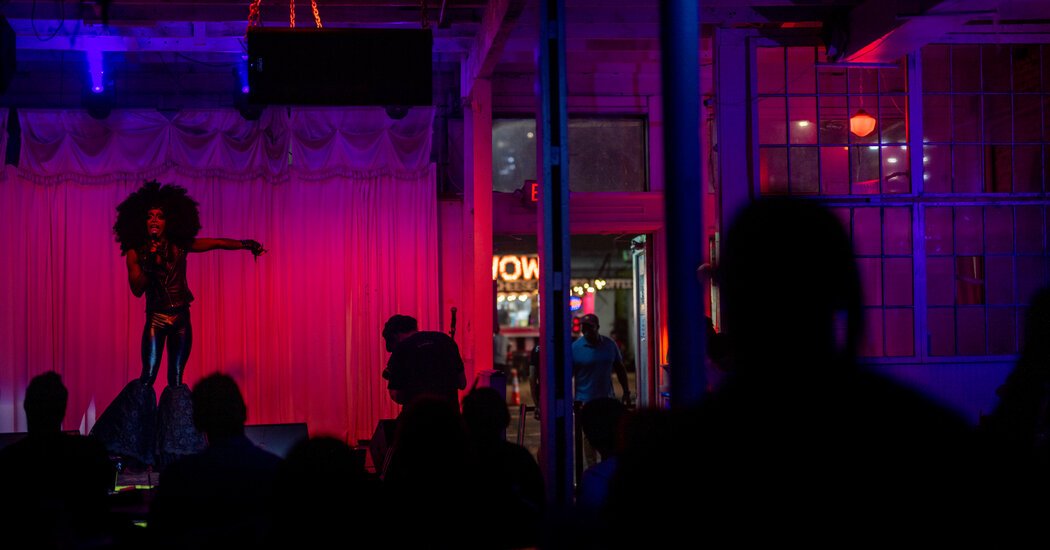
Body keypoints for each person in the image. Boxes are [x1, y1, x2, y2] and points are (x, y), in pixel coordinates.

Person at [91, 180, 266, 467]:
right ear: (142, 221)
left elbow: (216, 243)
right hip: (156, 319)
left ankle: (174, 448)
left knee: (175, 381)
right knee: (147, 377)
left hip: (182, 318)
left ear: (169, 221)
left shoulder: (180, 246)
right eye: (150, 216)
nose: (154, 220)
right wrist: (151, 263)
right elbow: (136, 289)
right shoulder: (136, 252)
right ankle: (131, 441)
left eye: (159, 216)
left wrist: (246, 244)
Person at [149, 373, 282, 549]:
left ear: (197, 421)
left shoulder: (179, 477)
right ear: (244, 412)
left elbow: (159, 538)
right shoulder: (278, 471)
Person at [0, 372, 114, 548]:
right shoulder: (90, 452)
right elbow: (103, 501)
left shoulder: (8, 460)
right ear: (62, 409)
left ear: (26, 406)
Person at [381, 314, 466, 408]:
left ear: (395, 336)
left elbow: (397, 395)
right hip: (449, 413)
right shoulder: (446, 340)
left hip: (418, 415)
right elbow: (462, 383)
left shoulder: (401, 349)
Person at [572, 314, 631, 406]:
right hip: (583, 402)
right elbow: (568, 376)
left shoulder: (610, 345)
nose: (586, 329)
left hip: (607, 399)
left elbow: (620, 369)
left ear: (597, 327)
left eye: (590, 326)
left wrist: (626, 392)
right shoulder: (574, 348)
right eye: (584, 327)